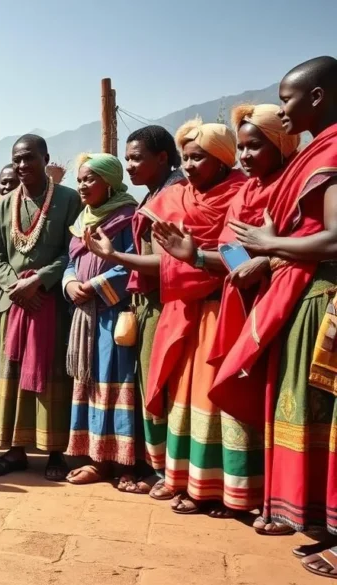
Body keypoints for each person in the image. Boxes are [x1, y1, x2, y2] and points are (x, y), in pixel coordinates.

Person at [217, 57, 337, 576]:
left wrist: (270, 243)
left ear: (316, 97)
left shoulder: (330, 152)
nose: (281, 107)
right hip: (302, 291)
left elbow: (333, 236)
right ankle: (321, 523)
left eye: (287, 98)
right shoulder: (316, 151)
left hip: (323, 293)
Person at [154, 104, 299, 530]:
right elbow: (233, 251)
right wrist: (198, 255)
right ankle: (204, 483)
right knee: (201, 395)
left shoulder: (287, 186)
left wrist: (263, 261)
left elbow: (300, 244)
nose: (247, 156)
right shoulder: (247, 191)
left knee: (243, 397)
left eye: (257, 146)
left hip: (270, 306)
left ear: (283, 144)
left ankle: (243, 492)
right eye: (243, 147)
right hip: (228, 302)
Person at [133, 118, 250, 517]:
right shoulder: (175, 198)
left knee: (215, 396)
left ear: (222, 160)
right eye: (185, 158)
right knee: (181, 394)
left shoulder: (241, 195)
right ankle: (185, 478)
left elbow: (242, 259)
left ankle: (223, 490)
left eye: (198, 158)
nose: (189, 166)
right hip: (182, 311)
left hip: (224, 308)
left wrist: (196, 256)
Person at [88, 124, 185, 495]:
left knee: (162, 387)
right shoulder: (153, 195)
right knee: (151, 385)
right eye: (127, 158)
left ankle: (164, 471)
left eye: (136, 158)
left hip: (166, 304)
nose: (130, 165)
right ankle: (156, 466)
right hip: (149, 305)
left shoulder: (172, 196)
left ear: (162, 158)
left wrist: (113, 256)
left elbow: (166, 262)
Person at [0, 134, 81, 481]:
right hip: (13, 304)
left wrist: (38, 280)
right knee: (10, 378)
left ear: (45, 158)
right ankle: (14, 450)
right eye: (17, 159)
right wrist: (16, 286)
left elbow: (73, 251)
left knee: (51, 377)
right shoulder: (2, 205)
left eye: (29, 158)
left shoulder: (70, 200)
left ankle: (55, 450)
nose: (23, 165)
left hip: (49, 303)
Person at [60, 153, 137, 485]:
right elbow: (69, 262)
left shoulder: (128, 216)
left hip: (114, 317)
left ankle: (126, 465)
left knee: (116, 387)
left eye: (90, 179)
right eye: (79, 180)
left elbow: (133, 261)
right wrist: (71, 283)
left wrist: (96, 286)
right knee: (89, 387)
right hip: (85, 319)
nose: (82, 185)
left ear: (111, 182)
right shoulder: (81, 222)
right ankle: (97, 461)